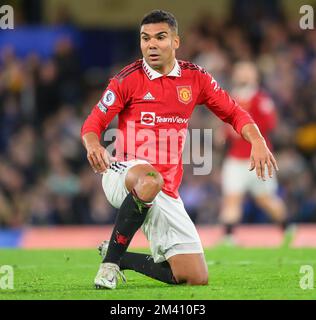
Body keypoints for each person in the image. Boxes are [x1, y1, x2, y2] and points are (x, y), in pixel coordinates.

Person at [81, 10, 278, 289]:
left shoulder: (195, 79)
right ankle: (109, 265)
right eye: (145, 38)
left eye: (160, 37)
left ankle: (123, 257)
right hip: (123, 174)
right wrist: (93, 145)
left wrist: (257, 140)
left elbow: (235, 112)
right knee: (150, 179)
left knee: (194, 277)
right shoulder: (128, 79)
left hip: (164, 190)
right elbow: (93, 122)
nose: (151, 44)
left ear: (176, 41)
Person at [219, 61, 287, 242]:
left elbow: (269, 124)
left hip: (258, 157)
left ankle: (286, 227)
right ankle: (228, 238)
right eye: (240, 71)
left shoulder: (261, 99)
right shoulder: (230, 98)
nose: (243, 75)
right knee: (232, 199)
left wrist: (244, 131)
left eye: (247, 71)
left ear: (255, 76)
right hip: (235, 158)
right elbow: (226, 128)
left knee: (265, 200)